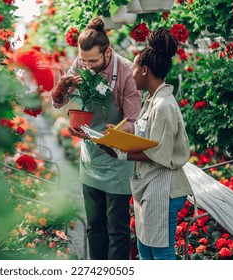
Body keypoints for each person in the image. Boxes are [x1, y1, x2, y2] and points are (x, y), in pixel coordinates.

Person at [51, 17, 141, 260]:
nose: (87, 66)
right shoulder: (81, 63)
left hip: (117, 159)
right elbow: (58, 101)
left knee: (118, 228)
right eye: (83, 60)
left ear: (107, 51)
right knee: (94, 225)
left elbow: (134, 118)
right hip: (91, 157)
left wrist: (119, 131)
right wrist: (60, 89)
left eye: (93, 60)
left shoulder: (125, 72)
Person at [103, 28, 193, 260]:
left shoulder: (164, 105)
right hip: (152, 187)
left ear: (144, 70)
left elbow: (157, 153)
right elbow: (148, 139)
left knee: (161, 253)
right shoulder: (153, 100)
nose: (131, 74)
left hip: (165, 189)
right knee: (145, 249)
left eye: (133, 68)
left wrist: (120, 153)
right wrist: (119, 136)